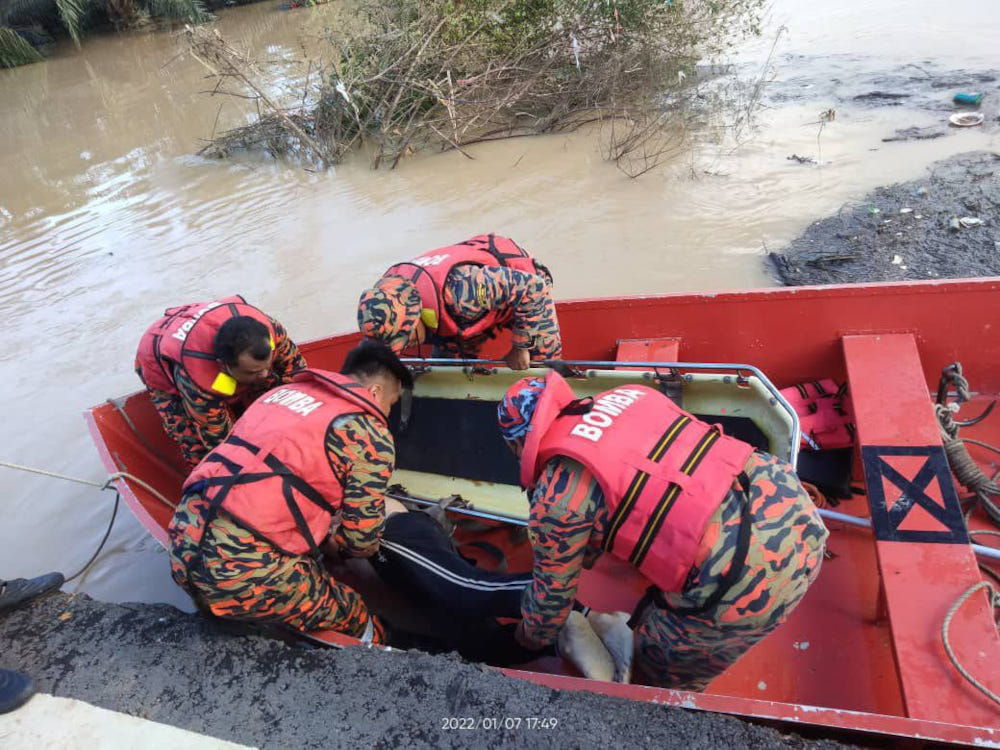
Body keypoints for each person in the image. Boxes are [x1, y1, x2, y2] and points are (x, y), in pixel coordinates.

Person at [496, 371, 829, 690]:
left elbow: (549, 610)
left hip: (748, 576)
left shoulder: (555, 499)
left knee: (654, 671)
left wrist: (525, 638)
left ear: (519, 444)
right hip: (791, 501)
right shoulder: (630, 394)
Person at [167, 340, 407, 644]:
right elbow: (362, 542)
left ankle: (252, 615)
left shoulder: (278, 394)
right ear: (375, 392)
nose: (386, 413)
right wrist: (336, 544)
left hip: (182, 542)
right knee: (353, 612)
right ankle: (385, 655)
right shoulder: (370, 432)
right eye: (391, 403)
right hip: (239, 572)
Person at [135, 296, 307, 468]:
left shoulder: (272, 334)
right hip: (161, 361)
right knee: (194, 441)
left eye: (266, 365)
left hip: (206, 328)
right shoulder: (197, 383)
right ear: (224, 366)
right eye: (254, 371)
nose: (263, 373)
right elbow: (218, 440)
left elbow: (297, 374)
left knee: (272, 385)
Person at [357, 234, 561, 370]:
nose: (404, 345)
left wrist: (520, 346)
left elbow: (535, 288)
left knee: (541, 369)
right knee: (445, 369)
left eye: (405, 337)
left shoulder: (462, 291)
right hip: (464, 310)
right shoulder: (384, 300)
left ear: (415, 316)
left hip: (526, 291)